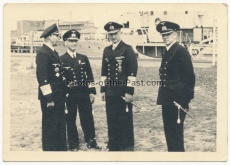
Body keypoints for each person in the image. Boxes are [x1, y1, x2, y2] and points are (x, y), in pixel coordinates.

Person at [156, 21, 195, 152]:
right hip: (167, 98)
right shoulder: (168, 51)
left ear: (175, 34)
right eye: (163, 35)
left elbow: (189, 77)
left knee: (176, 134)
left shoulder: (180, 51)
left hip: (177, 99)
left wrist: (185, 101)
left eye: (168, 34)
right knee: (169, 131)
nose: (165, 37)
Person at [60, 29, 100, 151]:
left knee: (87, 117)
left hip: (83, 92)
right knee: (70, 119)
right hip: (70, 93)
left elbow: (90, 76)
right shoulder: (61, 59)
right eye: (71, 41)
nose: (73, 44)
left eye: (75, 41)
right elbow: (59, 78)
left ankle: (91, 141)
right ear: (65, 42)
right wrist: (66, 85)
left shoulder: (83, 58)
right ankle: (73, 144)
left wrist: (92, 91)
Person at [101, 22, 138, 151]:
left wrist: (130, 92)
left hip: (123, 92)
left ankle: (127, 145)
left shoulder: (127, 49)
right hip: (110, 91)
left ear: (120, 33)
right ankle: (113, 144)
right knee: (111, 119)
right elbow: (104, 72)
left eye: (115, 33)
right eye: (110, 34)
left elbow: (132, 73)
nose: (113, 36)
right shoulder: (106, 50)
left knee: (125, 119)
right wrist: (103, 90)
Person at [36, 23, 66, 151]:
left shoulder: (53, 51)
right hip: (51, 96)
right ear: (49, 36)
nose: (58, 38)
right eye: (57, 35)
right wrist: (49, 98)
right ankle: (50, 151)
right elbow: (42, 78)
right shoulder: (43, 52)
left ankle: (59, 149)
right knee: (50, 124)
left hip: (58, 94)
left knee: (59, 122)